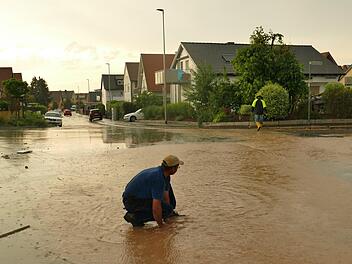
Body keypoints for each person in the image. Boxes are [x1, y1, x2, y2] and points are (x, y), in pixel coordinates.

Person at [122, 155, 183, 227]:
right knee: (166, 209)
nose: (177, 169)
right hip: (131, 201)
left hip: (141, 197)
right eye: (177, 167)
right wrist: (161, 225)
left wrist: (169, 214)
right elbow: (156, 207)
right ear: (173, 169)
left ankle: (167, 213)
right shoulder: (158, 178)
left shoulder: (165, 175)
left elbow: (166, 197)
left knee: (170, 206)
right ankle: (135, 217)